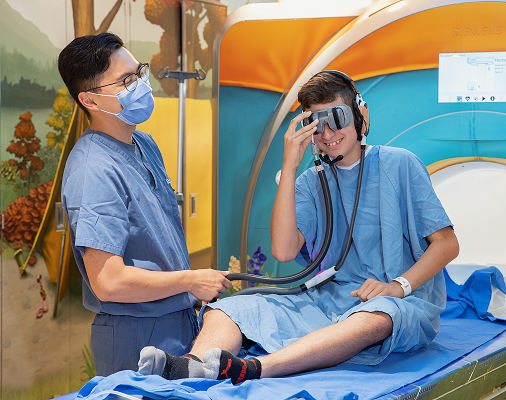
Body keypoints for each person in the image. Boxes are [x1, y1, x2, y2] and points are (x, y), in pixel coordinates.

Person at [137, 71, 459, 383]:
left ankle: (258, 367)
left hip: (399, 302)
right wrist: (289, 166)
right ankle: (194, 367)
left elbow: (446, 243)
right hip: (329, 300)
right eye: (317, 126)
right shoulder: (310, 182)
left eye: (338, 119)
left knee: (378, 318)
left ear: (361, 114)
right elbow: (284, 249)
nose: (329, 135)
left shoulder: (399, 164)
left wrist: (397, 286)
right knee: (232, 307)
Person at [58, 32, 231, 376]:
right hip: (137, 337)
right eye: (126, 81)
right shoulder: (94, 170)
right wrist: (189, 280)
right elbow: (109, 281)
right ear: (90, 101)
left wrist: (191, 291)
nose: (141, 85)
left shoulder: (143, 144)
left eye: (139, 73)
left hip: (177, 324)